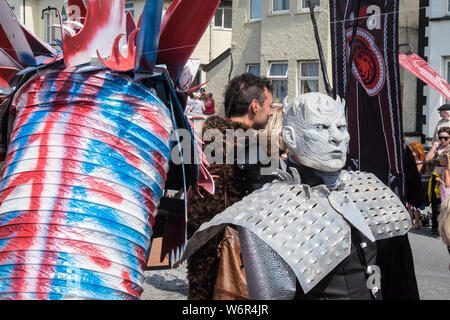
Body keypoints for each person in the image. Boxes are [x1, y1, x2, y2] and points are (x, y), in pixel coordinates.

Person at [183, 92, 418, 300]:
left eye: (341, 127)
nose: (336, 137)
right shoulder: (268, 210)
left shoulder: (370, 191)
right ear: (291, 137)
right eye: (321, 128)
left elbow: (400, 281)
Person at [186, 72, 274, 300]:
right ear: (255, 106)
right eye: (269, 105)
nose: (272, 111)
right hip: (234, 264)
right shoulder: (255, 147)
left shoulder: (200, 139)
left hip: (202, 263)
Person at [426, 127, 450, 235]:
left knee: (445, 204)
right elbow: (427, 160)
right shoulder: (437, 147)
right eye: (441, 138)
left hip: (446, 178)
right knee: (435, 203)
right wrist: (434, 147)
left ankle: (444, 227)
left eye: (446, 138)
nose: (443, 140)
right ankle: (436, 227)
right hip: (436, 177)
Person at [407, 142, 426, 229]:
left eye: (413, 151)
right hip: (410, 186)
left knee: (416, 208)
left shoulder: (420, 162)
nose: (411, 153)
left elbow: (416, 171)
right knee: (409, 207)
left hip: (417, 186)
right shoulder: (410, 161)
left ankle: (417, 223)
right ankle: (411, 223)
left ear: (418, 151)